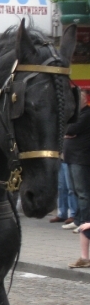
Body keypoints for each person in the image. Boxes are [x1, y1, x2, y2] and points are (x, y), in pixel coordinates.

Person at [63, 89, 90, 234]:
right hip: (71, 158)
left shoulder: (86, 114)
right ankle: (78, 220)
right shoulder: (77, 115)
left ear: (85, 100)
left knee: (83, 192)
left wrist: (67, 133)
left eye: (79, 99)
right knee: (74, 191)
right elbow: (66, 130)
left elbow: (72, 129)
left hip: (81, 159)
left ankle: (85, 222)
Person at [49, 161, 77, 225]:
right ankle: (62, 214)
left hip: (69, 159)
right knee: (61, 188)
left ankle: (73, 215)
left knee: (70, 188)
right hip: (60, 160)